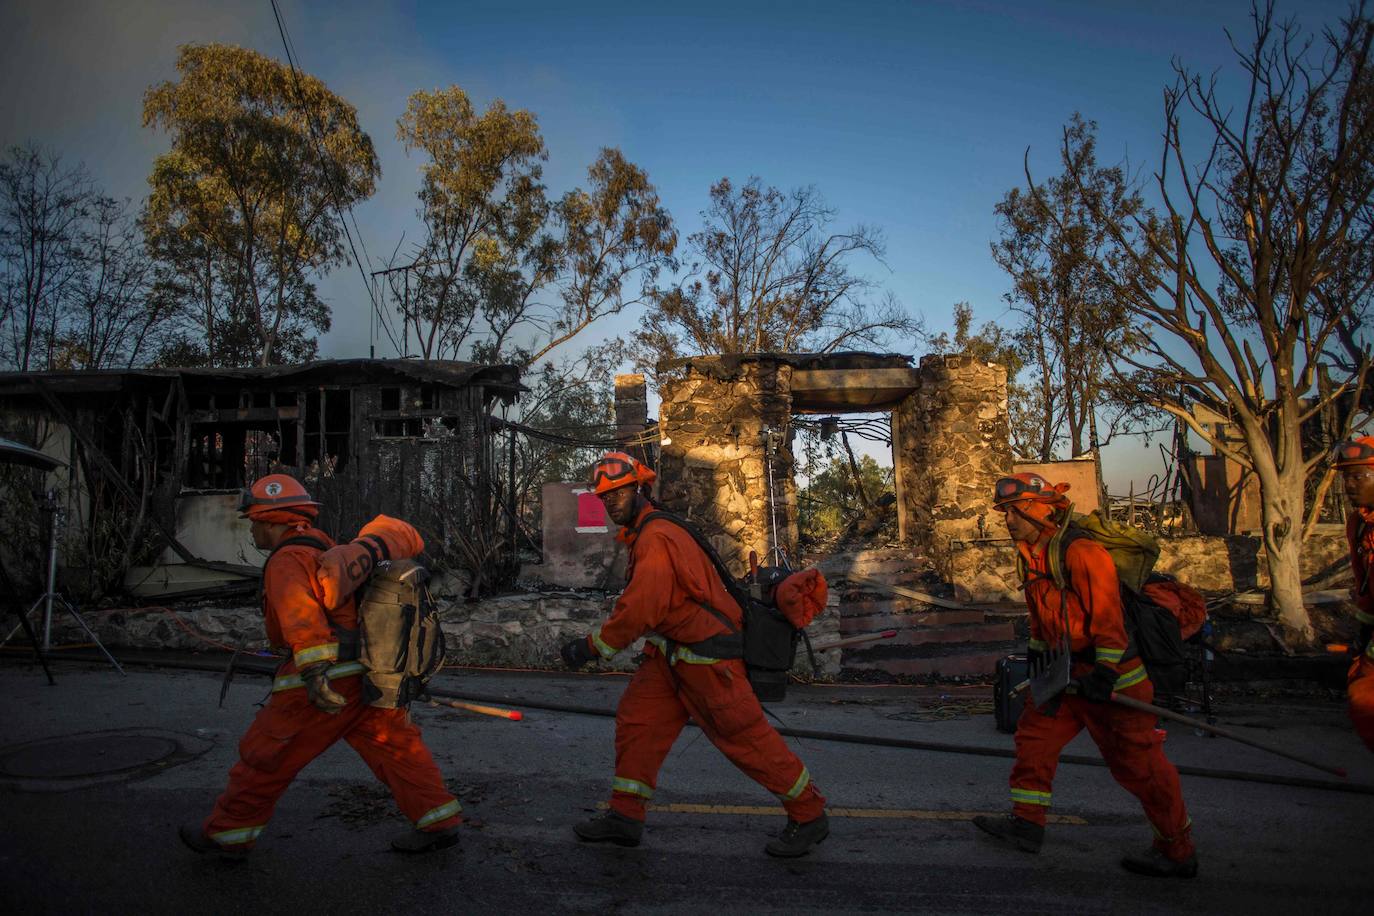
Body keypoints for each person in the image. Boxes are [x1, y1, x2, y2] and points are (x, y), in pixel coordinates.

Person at [560, 451, 829, 858]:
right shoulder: (648, 531)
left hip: (707, 660)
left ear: (639, 489)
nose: (610, 502)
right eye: (604, 497)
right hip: (670, 655)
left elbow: (642, 605)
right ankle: (625, 816)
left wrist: (593, 647)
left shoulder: (656, 537)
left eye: (618, 492)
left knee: (743, 739)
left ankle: (809, 814)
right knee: (638, 723)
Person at [179, 474, 462, 859]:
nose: (254, 531)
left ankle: (227, 835)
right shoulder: (326, 549)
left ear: (274, 520)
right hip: (366, 671)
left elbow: (302, 618)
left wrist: (313, 676)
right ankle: (439, 820)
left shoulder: (287, 559)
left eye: (256, 522)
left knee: (267, 755)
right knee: (396, 749)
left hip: (325, 680)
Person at [972, 473, 1198, 878]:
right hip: (1065, 673)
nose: (1008, 519)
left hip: (1113, 677)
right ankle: (1027, 825)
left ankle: (1176, 850)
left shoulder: (1082, 552)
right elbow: (1042, 621)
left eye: (1015, 510)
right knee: (1034, 740)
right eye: (1005, 511)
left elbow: (1109, 621)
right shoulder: (1031, 554)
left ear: (1044, 509)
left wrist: (1107, 674)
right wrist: (1039, 664)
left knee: (1138, 765)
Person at [1333, 436, 1374, 752]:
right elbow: (1365, 585)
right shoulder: (1358, 524)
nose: (1349, 484)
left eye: (1359, 476)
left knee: (1365, 699)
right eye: (1346, 476)